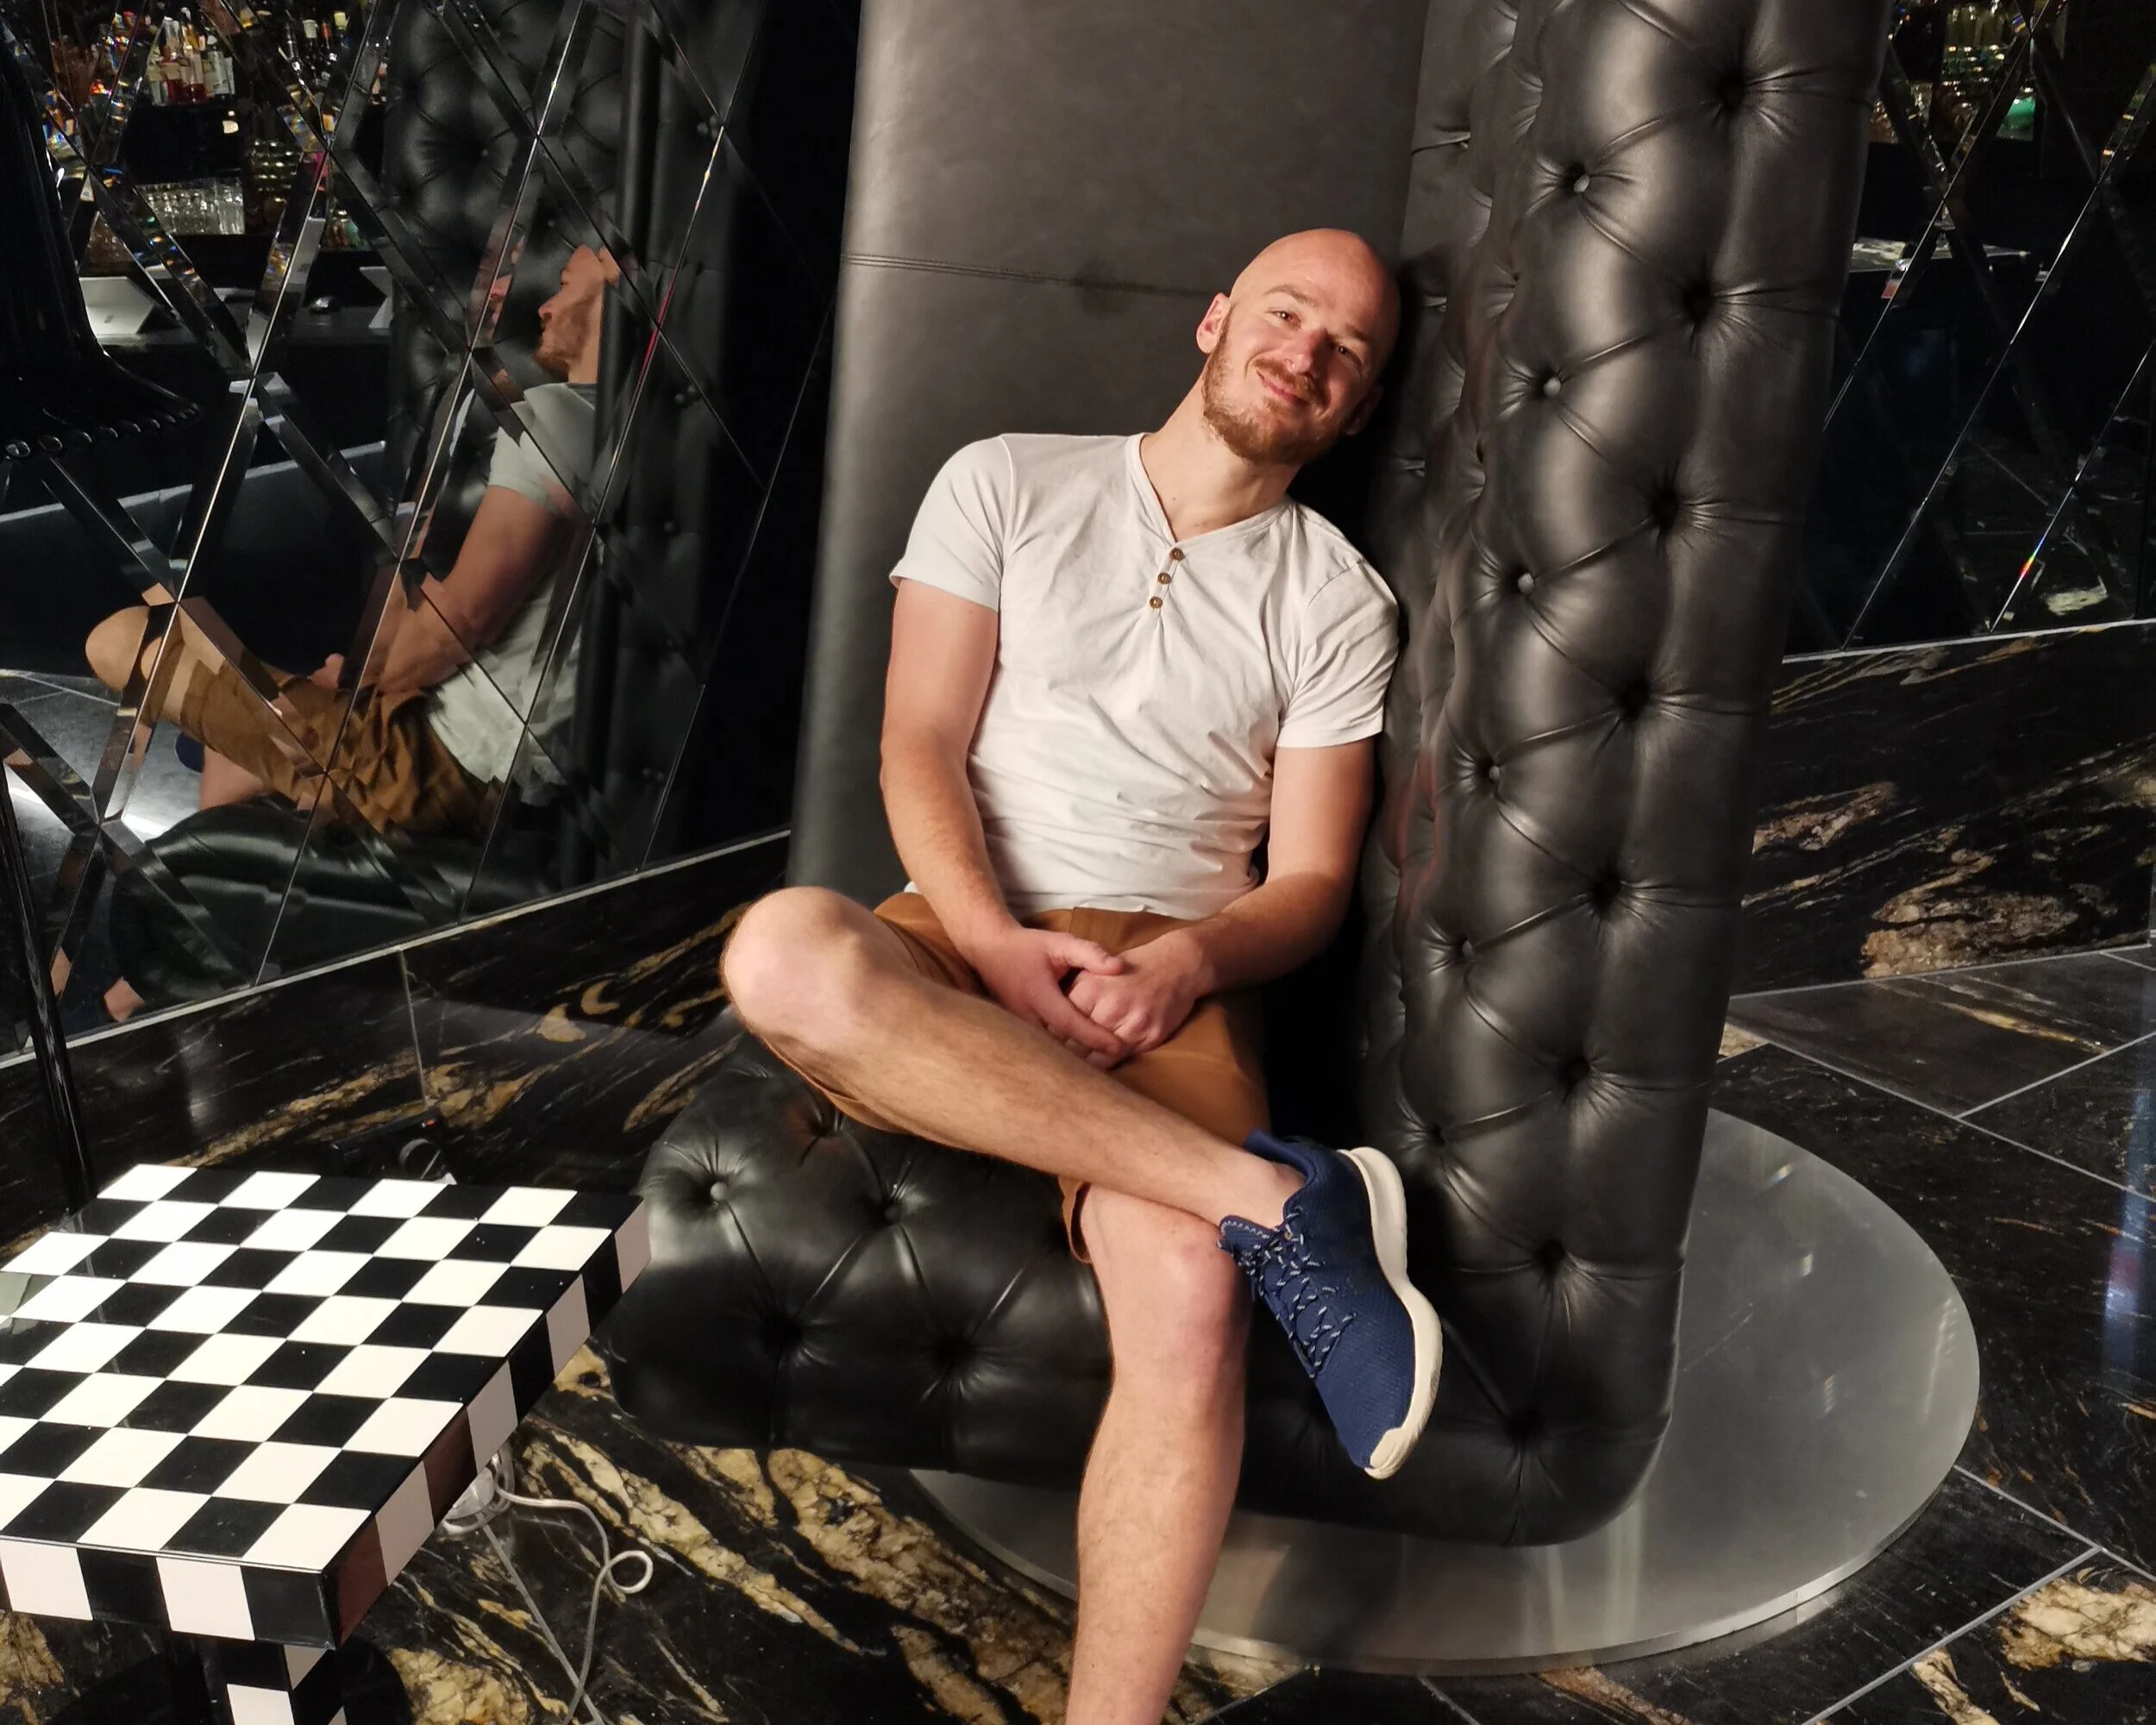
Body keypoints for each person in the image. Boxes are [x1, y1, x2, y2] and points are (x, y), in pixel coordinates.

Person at [718, 229, 1442, 1725]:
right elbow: (918, 743)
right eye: (1287, 313)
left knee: (1184, 1288)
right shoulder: (1004, 482)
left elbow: (1309, 885)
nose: (1305, 353)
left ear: (1359, 409)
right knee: (780, 947)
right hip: (960, 924)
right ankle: (1278, 1202)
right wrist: (990, 943)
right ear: (1215, 318)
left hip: (1168, 969)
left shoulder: (1339, 601)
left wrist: (1185, 962)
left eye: (1347, 352)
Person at [84, 243, 611, 845]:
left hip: (441, 768)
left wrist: (356, 679)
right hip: (447, 741)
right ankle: (223, 862)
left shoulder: (561, 418)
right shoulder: (631, 435)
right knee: (226, 734)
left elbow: (454, 629)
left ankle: (225, 858)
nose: (544, 307)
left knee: (122, 639)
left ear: (615, 296)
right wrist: (357, 678)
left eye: (565, 284)